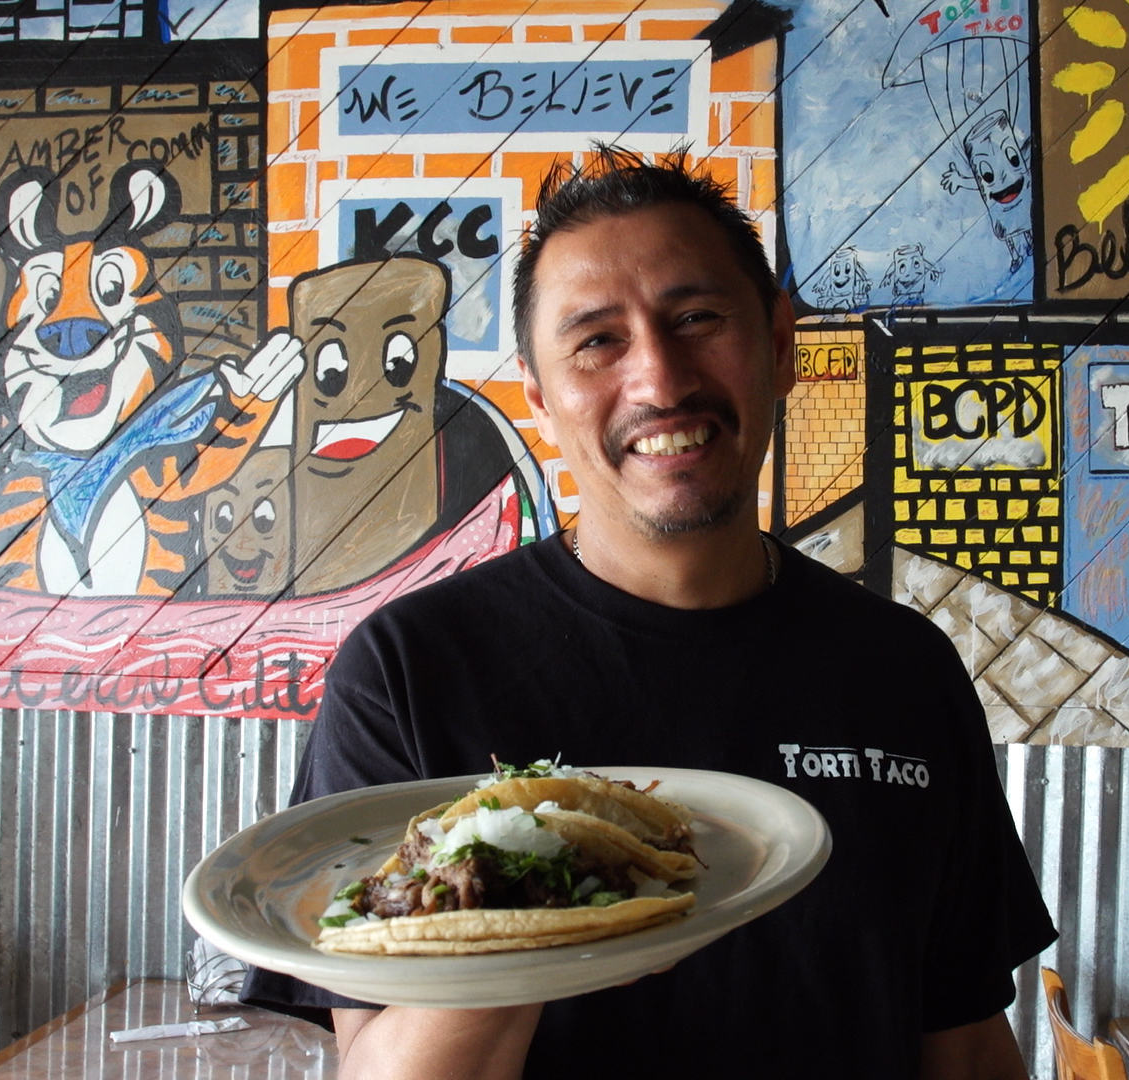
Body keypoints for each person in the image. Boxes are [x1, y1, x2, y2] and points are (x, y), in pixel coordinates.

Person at [241, 146, 1056, 1079]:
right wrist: (534, 887)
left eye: (697, 318)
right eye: (597, 340)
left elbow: (964, 1043)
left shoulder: (904, 670)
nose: (661, 382)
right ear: (542, 398)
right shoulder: (410, 671)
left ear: (782, 346)